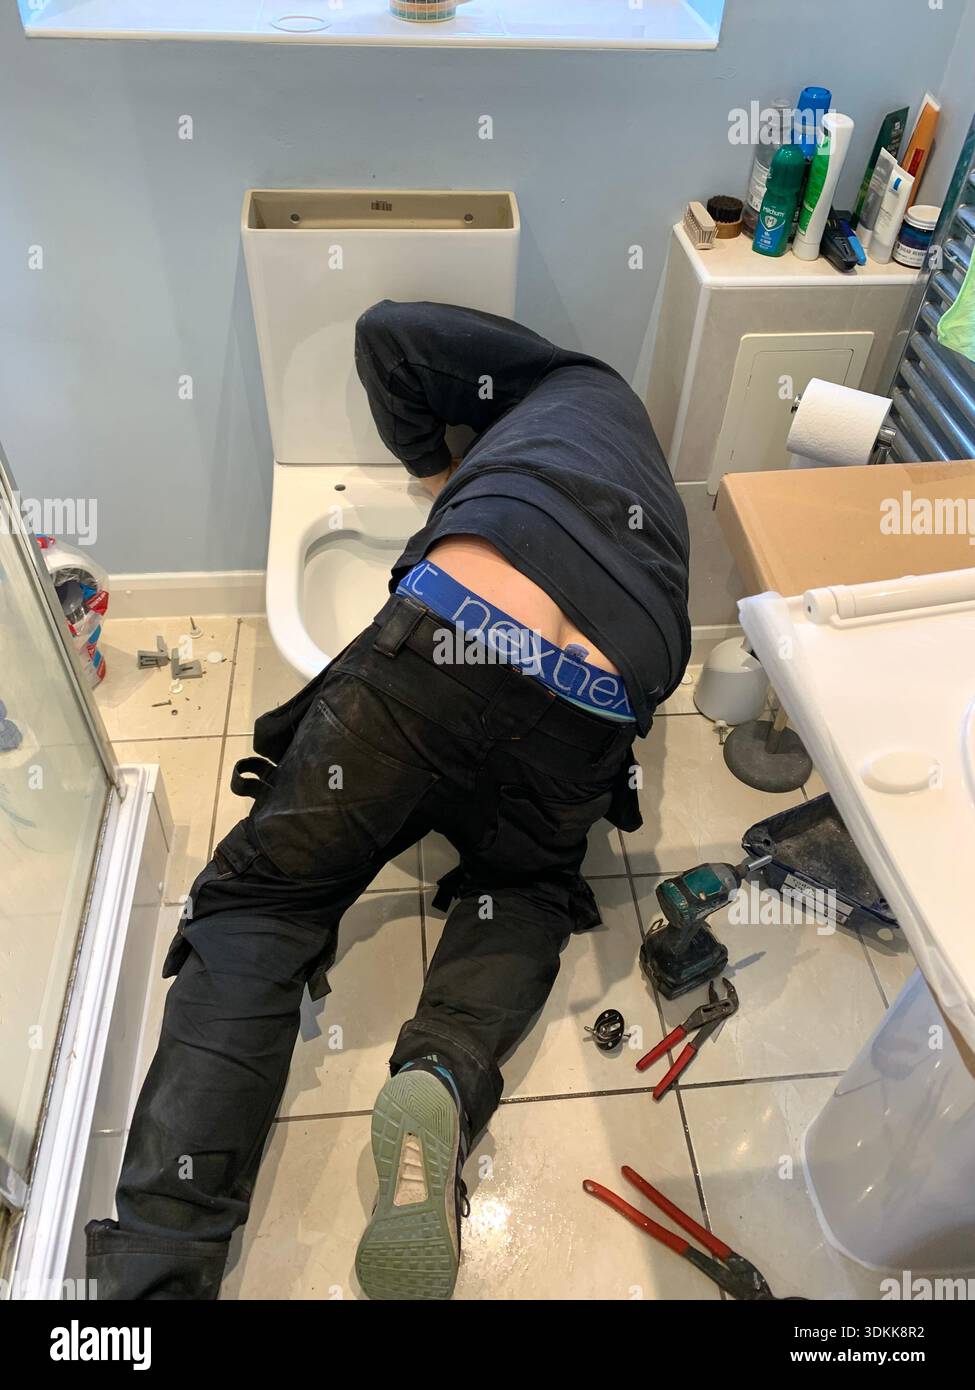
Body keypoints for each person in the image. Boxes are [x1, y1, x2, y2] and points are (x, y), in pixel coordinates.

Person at [86, 300, 691, 1301]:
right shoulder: (632, 458)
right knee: (524, 886)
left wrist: (434, 475)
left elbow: (386, 331)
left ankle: (156, 1272)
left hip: (452, 634)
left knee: (264, 902)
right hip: (605, 688)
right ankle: (444, 1074)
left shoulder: (567, 373)